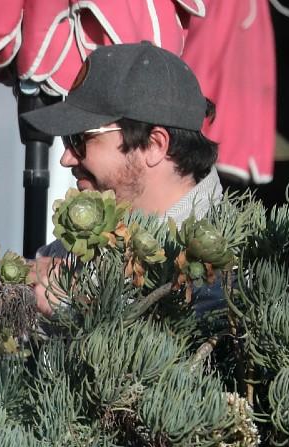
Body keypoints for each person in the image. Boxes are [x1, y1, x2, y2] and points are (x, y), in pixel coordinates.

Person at [20, 41, 223, 314]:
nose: (66, 158)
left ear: (154, 145)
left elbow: (192, 346)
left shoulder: (229, 261)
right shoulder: (82, 244)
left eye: (79, 139)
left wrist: (77, 305)